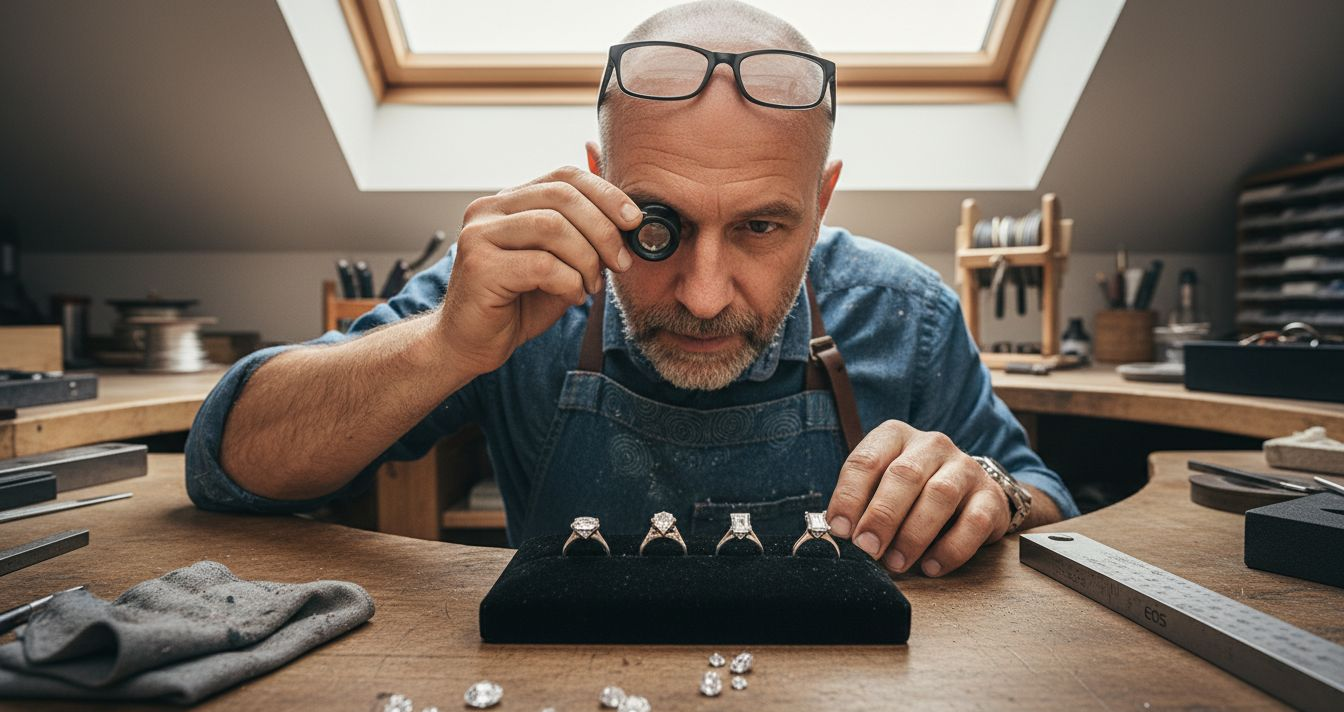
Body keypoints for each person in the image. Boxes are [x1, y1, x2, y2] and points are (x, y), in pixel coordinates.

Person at [186, 0, 1078, 578]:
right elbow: (232, 469)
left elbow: (1044, 497)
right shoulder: (520, 294)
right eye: (658, 226)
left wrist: (989, 489)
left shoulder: (906, 314)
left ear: (822, 200)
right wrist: (443, 347)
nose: (700, 293)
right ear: (594, 180)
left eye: (762, 228)